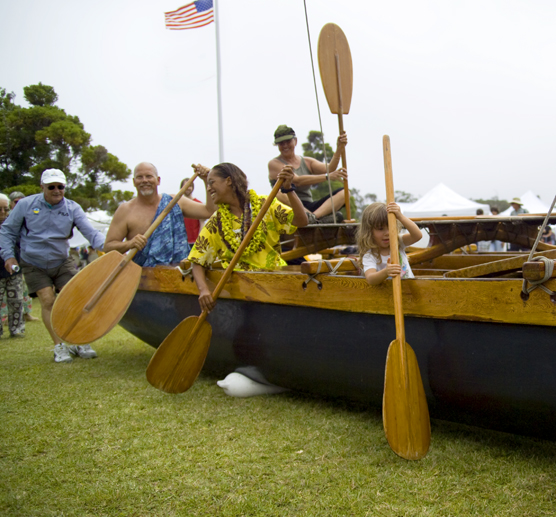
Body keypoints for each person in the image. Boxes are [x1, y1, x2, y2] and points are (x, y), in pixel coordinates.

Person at [0, 169, 106, 362]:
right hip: (33, 262)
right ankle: (59, 346)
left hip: (62, 261)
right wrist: (8, 256)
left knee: (74, 299)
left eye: (60, 186)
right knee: (48, 300)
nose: (57, 190)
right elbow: (7, 231)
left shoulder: (73, 208)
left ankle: (78, 341)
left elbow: (92, 234)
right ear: (42, 187)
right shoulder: (25, 205)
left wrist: (110, 246)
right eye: (52, 187)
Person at [189, 163, 308, 313]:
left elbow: (302, 221)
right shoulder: (216, 221)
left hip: (276, 287)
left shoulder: (265, 205)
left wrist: (289, 189)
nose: (208, 188)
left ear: (229, 181)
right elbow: (197, 261)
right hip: (241, 294)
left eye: (212, 182)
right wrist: (204, 290)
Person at [104, 162, 216, 266]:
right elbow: (108, 247)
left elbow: (209, 211)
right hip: (143, 279)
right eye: (139, 177)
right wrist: (130, 244)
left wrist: (207, 180)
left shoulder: (174, 202)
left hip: (179, 274)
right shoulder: (125, 210)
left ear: (158, 180)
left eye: (149, 176)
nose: (144, 180)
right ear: (134, 182)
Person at [268, 125, 348, 223]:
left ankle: (314, 218)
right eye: (281, 143)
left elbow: (329, 168)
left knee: (345, 192)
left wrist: (339, 148)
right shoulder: (274, 164)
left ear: (295, 141)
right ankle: (311, 218)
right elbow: (297, 181)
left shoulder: (307, 162)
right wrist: (327, 177)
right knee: (278, 193)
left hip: (309, 206)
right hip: (289, 206)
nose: (285, 146)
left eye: (288, 141)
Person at [357, 202, 423, 286]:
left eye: (390, 227)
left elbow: (417, 235)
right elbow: (371, 279)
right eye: (380, 229)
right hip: (388, 296)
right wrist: (386, 272)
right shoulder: (370, 255)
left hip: (410, 290)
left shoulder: (398, 241)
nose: (387, 233)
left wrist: (400, 216)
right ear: (369, 232)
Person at [5, 191, 39, 322]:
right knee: (8, 291)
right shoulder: (8, 219)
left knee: (25, 288)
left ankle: (26, 313)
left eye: (21, 202)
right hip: (10, 258)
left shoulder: (29, 217)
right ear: (11, 203)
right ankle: (5, 317)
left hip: (26, 258)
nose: (19, 204)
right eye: (16, 202)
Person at [0, 193, 24, 338]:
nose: (3, 213)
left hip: (14, 270)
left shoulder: (14, 225)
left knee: (16, 301)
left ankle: (17, 329)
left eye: (6, 209)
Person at [180, 176, 205, 246]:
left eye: (189, 186)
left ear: (193, 188)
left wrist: (200, 240)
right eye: (185, 186)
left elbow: (202, 223)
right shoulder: (178, 205)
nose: (187, 188)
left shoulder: (198, 204)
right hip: (182, 242)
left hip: (195, 241)